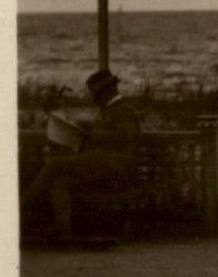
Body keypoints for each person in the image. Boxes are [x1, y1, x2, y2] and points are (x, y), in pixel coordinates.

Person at [21, 68, 144, 240]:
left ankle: (20, 209)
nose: (94, 100)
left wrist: (91, 134)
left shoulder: (125, 111)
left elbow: (122, 138)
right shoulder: (111, 110)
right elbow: (107, 135)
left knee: (55, 164)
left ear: (107, 92)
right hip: (103, 163)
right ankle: (64, 231)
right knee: (59, 181)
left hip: (115, 166)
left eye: (97, 95)